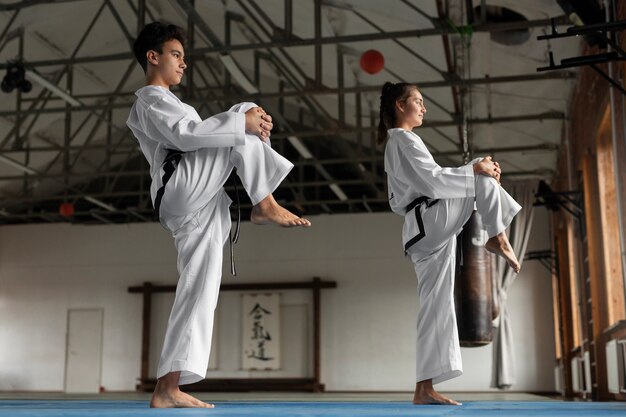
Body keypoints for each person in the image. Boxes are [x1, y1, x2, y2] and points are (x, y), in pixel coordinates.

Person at [127, 22, 311, 408]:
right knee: (245, 112)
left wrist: (247, 131)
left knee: (199, 291)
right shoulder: (149, 98)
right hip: (179, 187)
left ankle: (168, 387)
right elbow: (184, 136)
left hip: (200, 202)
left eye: (183, 56)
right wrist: (243, 125)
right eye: (176, 55)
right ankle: (264, 203)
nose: (183, 63)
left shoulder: (173, 101)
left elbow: (196, 132)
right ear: (153, 56)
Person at [378, 82, 521, 406]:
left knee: (436, 308)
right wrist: (475, 169)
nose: (424, 108)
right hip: (428, 222)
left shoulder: (400, 142)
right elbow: (434, 181)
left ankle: (423, 388)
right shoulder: (402, 140)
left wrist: (473, 170)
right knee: (482, 176)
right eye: (418, 101)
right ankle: (497, 236)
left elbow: (434, 179)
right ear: (400, 105)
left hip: (423, 233)